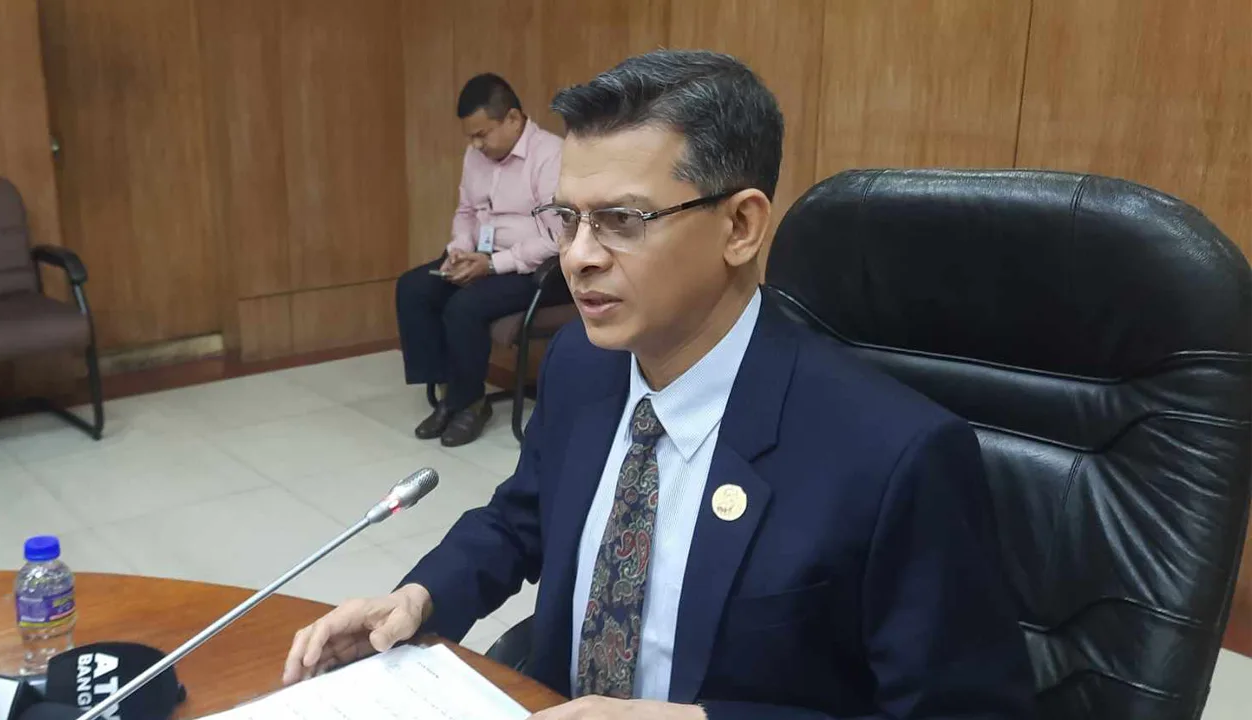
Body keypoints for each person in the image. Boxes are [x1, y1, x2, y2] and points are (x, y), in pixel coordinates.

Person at [287, 50, 1037, 719]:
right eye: (568, 218)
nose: (578, 257)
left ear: (740, 227)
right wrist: (420, 597)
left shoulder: (896, 455)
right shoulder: (582, 364)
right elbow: (523, 518)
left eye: (620, 219)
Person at [394, 73, 563, 447]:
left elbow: (559, 238)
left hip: (536, 269)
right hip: (483, 255)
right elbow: (467, 211)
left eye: (482, 134)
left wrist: (493, 265)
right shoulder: (476, 156)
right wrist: (459, 248)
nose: (475, 145)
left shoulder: (551, 156)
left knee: (464, 306)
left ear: (513, 119)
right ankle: (449, 393)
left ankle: (470, 403)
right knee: (414, 288)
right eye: (471, 137)